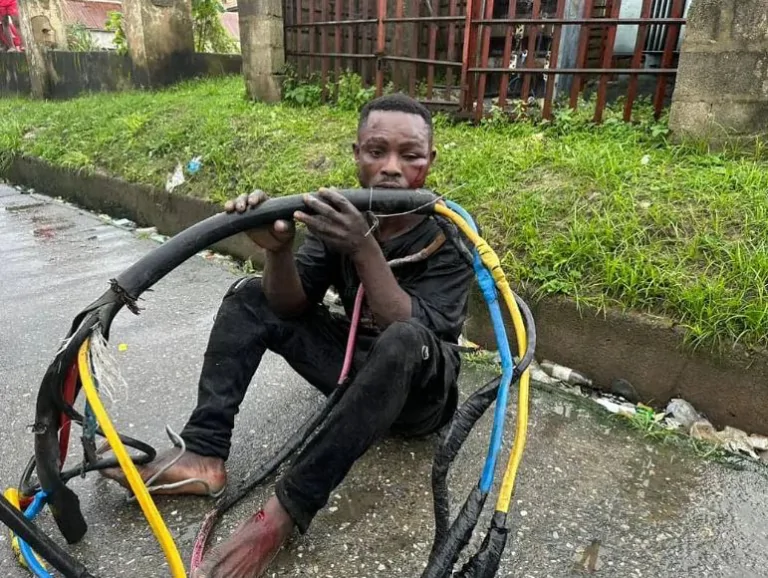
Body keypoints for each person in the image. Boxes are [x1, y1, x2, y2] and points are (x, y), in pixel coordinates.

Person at [102, 93, 474, 578]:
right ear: (356, 153)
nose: (390, 167)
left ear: (430, 160)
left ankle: (284, 514)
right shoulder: (340, 218)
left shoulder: (449, 235)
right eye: (376, 151)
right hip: (351, 373)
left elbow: (413, 328)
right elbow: (289, 307)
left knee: (401, 339)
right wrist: (277, 250)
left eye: (411, 156)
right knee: (249, 296)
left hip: (418, 398)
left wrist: (362, 247)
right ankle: (203, 453)